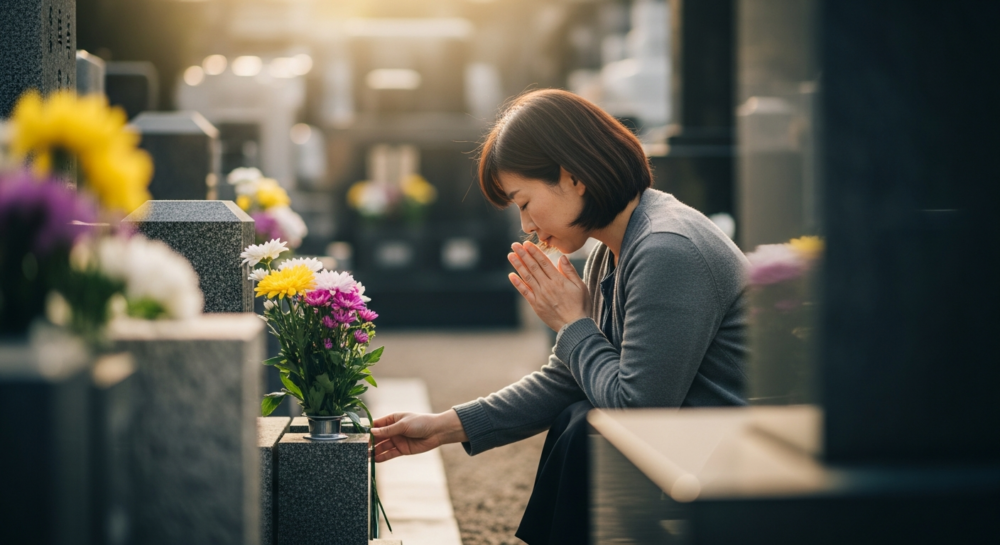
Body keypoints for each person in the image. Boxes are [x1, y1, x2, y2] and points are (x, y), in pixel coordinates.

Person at [371, 89, 749, 544]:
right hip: (693, 446)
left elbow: (636, 411)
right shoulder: (616, 248)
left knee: (586, 428)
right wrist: (443, 426)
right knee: (577, 416)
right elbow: (571, 377)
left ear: (573, 177)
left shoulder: (667, 247)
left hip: (739, 463)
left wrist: (574, 325)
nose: (526, 227)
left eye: (524, 202)